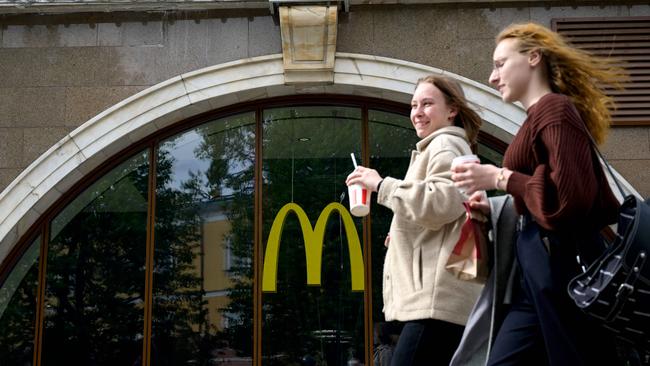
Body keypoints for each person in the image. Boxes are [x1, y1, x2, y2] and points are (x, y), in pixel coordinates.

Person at [451, 22, 626, 365]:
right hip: (537, 267)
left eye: (500, 64)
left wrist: (499, 177)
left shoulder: (554, 110)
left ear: (533, 57)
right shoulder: (537, 117)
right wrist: (494, 201)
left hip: (559, 264)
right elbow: (542, 189)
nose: (492, 76)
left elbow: (568, 200)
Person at [345, 75, 484, 365]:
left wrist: (380, 184)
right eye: (413, 105)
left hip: (437, 303)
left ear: (452, 110)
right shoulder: (444, 146)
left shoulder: (445, 145)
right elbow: (444, 211)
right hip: (439, 300)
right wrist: (401, 233)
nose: (417, 112)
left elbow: (439, 203)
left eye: (427, 103)